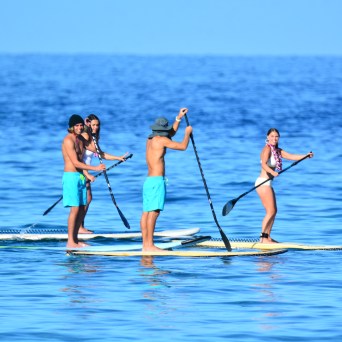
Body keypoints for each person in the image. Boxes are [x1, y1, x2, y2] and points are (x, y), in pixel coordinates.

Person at [140, 108, 192, 251]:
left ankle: (145, 244)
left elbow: (171, 133)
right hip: (157, 181)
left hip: (148, 181)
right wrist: (187, 133)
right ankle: (150, 245)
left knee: (146, 212)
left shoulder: (150, 139)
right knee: (154, 212)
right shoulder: (162, 140)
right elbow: (182, 146)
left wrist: (178, 118)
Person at [255, 128, 313, 243]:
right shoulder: (267, 149)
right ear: (267, 137)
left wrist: (305, 156)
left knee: (274, 211)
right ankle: (263, 238)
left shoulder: (277, 150)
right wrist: (272, 172)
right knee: (270, 211)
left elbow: (291, 156)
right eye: (272, 136)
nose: (274, 138)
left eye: (276, 136)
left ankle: (267, 236)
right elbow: (263, 165)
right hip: (262, 182)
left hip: (268, 183)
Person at [61, 114, 106, 248]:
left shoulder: (80, 138)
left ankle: (75, 239)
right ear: (71, 127)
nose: (80, 128)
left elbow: (98, 151)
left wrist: (118, 158)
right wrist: (95, 168)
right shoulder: (68, 140)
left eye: (81, 125)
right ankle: (70, 241)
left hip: (80, 177)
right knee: (75, 209)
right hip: (71, 177)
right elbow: (75, 162)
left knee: (81, 208)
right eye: (77, 126)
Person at [79, 114, 128, 233]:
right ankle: (79, 227)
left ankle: (80, 226)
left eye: (98, 125)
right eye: (93, 125)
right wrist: (87, 174)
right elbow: (79, 159)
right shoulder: (85, 136)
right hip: (81, 171)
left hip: (86, 171)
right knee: (85, 199)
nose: (96, 127)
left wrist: (118, 157)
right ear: (88, 124)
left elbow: (101, 154)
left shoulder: (93, 138)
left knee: (87, 199)